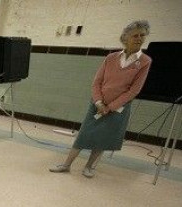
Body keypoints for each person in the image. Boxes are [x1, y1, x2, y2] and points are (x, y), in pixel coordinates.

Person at [50, 20, 152, 178]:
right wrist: (98, 102)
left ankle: (89, 167)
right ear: (126, 37)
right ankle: (66, 164)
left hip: (118, 108)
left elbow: (134, 90)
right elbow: (97, 82)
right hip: (97, 104)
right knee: (84, 134)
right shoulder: (111, 57)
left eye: (142, 35)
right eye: (135, 35)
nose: (139, 38)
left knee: (104, 138)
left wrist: (110, 107)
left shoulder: (144, 62)